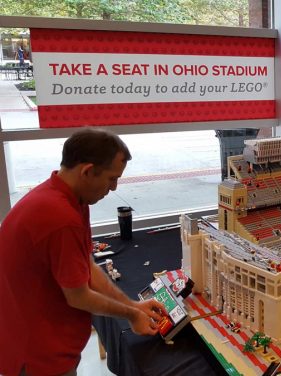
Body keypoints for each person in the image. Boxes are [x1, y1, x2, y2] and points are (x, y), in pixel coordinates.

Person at [0, 128, 165, 376]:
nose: (114, 187)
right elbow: (78, 296)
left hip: (42, 339)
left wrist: (132, 305)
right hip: (39, 355)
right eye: (111, 179)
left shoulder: (71, 198)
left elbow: (86, 268)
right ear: (87, 171)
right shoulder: (60, 218)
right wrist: (131, 315)